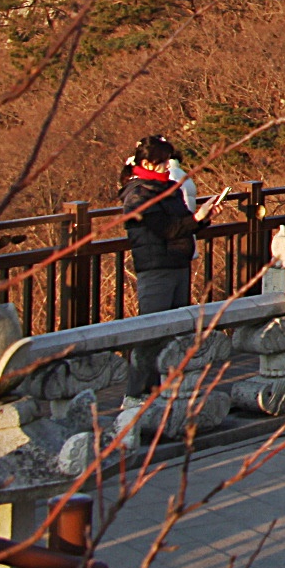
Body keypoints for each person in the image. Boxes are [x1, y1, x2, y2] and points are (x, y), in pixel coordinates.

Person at [117, 135, 204, 395]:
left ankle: (167, 391)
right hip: (155, 266)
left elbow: (182, 223)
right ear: (146, 162)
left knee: (176, 332)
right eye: (163, 161)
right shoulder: (138, 194)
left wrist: (202, 219)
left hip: (178, 262)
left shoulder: (168, 187)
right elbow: (166, 229)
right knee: (151, 335)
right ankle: (137, 395)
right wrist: (195, 220)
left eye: (168, 160)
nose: (168, 165)